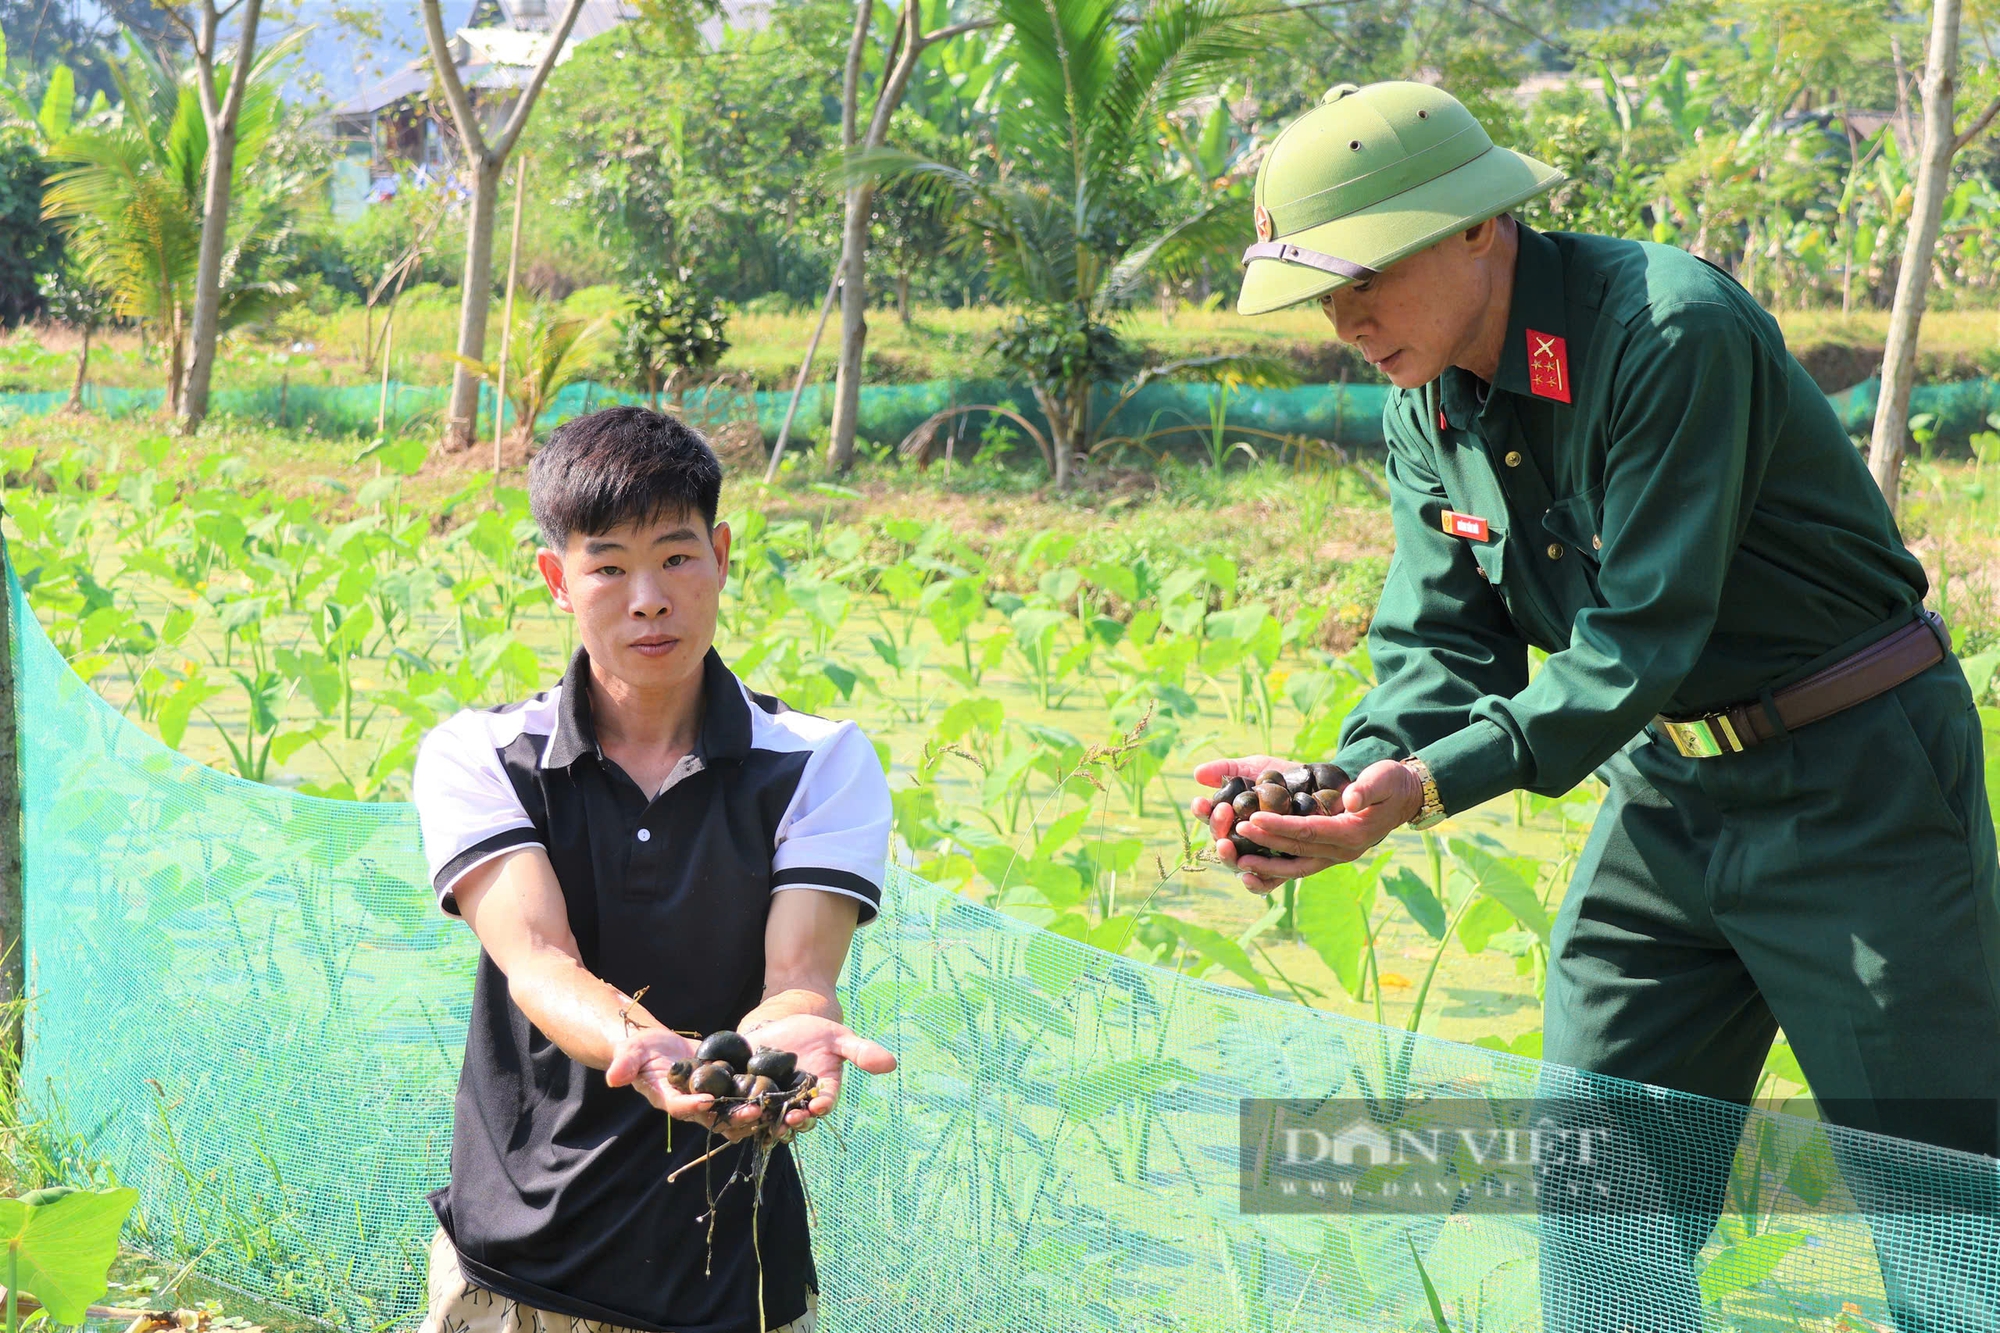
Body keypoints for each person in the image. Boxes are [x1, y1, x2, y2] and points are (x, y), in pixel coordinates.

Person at [1192, 81, 2000, 1330]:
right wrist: (1348, 771)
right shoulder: (1428, 398)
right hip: (1665, 801)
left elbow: (1637, 636)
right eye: (1320, 290)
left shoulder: (1664, 334)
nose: (1345, 318)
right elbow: (1435, 633)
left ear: (1476, 227)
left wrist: (1427, 787)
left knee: (1940, 1217)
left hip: (1857, 787)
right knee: (1592, 1183)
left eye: (1366, 273)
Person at [411, 406, 897, 1333]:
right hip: (514, 1270)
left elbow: (798, 979)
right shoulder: (481, 755)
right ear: (559, 578)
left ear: (721, 555)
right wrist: (644, 1046)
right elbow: (539, 958)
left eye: (676, 557)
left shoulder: (820, 761)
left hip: (729, 1286)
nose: (649, 598)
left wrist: (788, 1040)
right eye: (608, 566)